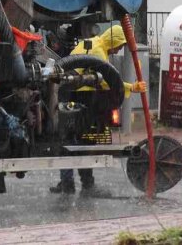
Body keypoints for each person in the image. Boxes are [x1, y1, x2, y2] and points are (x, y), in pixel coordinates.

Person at [50, 24, 147, 196]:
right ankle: (84, 186)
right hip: (81, 99)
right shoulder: (99, 53)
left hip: (70, 97)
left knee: (70, 142)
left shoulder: (94, 42)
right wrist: (132, 87)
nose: (118, 51)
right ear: (114, 41)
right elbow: (108, 81)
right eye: (119, 46)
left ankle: (68, 183)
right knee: (80, 144)